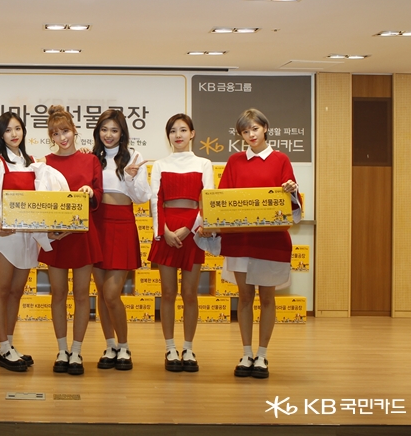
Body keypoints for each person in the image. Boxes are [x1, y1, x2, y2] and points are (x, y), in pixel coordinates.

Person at [217, 108, 301, 379]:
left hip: (270, 241)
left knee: (267, 298)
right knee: (244, 297)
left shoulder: (281, 159)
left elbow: (291, 203)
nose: (251, 135)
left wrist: (291, 191)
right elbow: (222, 198)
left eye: (255, 128)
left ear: (265, 128)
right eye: (245, 131)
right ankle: (246, 353)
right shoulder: (234, 161)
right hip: (240, 240)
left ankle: (262, 355)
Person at [0, 112, 49, 372]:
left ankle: (7, 346)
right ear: (1, 135)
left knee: (17, 292)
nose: (14, 134)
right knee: (3, 290)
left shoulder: (32, 163)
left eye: (17, 128)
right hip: (5, 236)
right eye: (8, 130)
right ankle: (3, 346)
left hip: (28, 236)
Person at [39, 105, 103, 376]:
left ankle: (77, 351)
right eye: (55, 134)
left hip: (82, 236)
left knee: (81, 294)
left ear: (74, 130)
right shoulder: (44, 163)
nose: (61, 138)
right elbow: (40, 200)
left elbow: (99, 195)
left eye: (65, 131)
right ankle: (62, 349)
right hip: (56, 237)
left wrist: (90, 192)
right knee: (58, 293)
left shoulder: (91, 160)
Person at [148, 113, 213, 373]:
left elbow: (207, 199)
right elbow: (155, 200)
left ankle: (188, 347)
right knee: (167, 293)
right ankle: (170, 348)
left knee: (189, 294)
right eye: (173, 130)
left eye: (183, 130)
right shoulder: (160, 164)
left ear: (192, 133)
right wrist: (164, 230)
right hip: (167, 229)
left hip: (193, 232)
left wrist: (189, 229)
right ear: (168, 136)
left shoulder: (204, 163)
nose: (178, 135)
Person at [91, 109, 151, 371]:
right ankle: (110, 345)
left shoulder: (134, 157)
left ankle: (124, 346)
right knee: (101, 293)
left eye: (114, 130)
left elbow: (142, 197)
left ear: (122, 133)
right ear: (98, 132)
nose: (109, 135)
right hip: (96, 223)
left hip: (122, 224)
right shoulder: (92, 158)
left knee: (112, 294)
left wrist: (130, 176)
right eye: (104, 129)